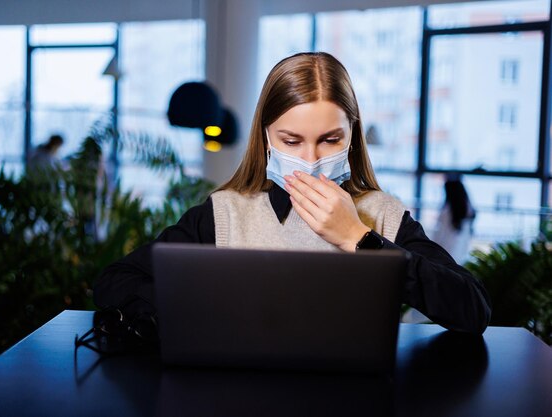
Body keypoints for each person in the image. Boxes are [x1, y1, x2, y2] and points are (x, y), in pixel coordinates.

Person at [94, 52, 491, 334]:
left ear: (352, 137)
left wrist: (360, 239)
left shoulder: (382, 214)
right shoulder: (225, 213)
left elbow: (472, 310)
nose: (311, 159)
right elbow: (116, 281)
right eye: (292, 140)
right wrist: (203, 311)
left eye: (330, 139)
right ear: (266, 138)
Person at [431, 175, 477, 265]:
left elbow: (440, 233)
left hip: (445, 249)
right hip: (460, 250)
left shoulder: (447, 211)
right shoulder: (468, 209)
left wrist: (432, 247)